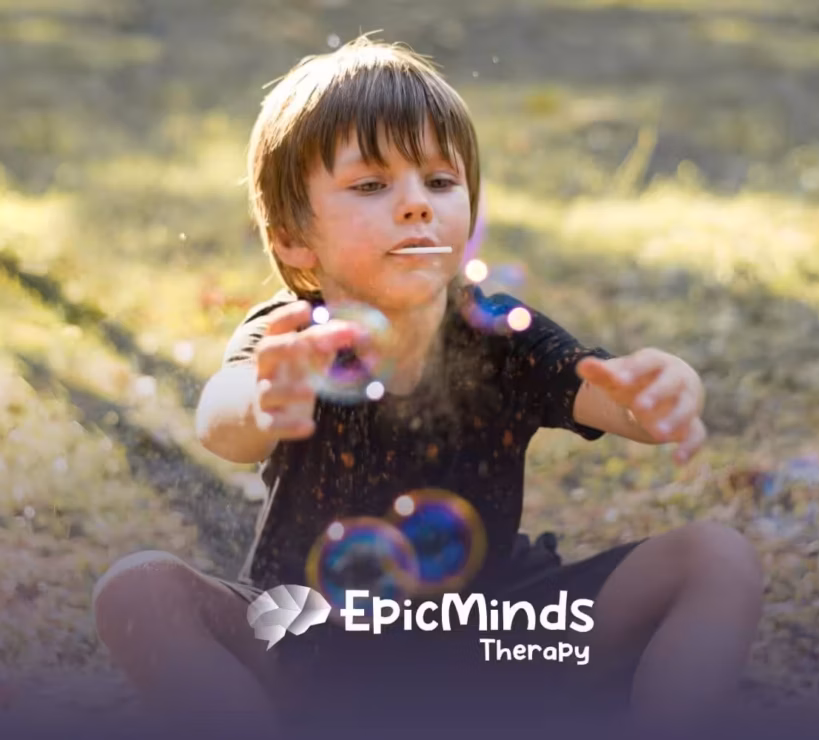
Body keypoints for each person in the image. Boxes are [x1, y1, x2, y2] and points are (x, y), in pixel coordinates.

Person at [91, 35, 763, 737]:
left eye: (440, 182)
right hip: (312, 648)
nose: (416, 205)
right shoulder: (295, 337)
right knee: (138, 589)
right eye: (372, 185)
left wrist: (665, 387)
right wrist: (264, 402)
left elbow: (624, 406)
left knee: (715, 557)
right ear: (294, 237)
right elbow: (222, 422)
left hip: (495, 637)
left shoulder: (503, 333)